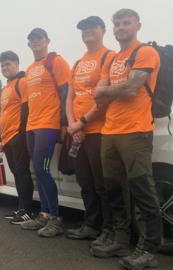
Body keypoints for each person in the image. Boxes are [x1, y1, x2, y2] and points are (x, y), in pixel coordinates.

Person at [91, 9, 161, 270]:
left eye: (126, 22)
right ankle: (121, 241)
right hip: (110, 131)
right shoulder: (113, 59)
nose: (121, 27)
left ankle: (149, 249)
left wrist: (106, 89)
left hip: (136, 130)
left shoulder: (144, 52)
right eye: (117, 23)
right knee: (114, 190)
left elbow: (132, 88)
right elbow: (99, 96)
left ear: (137, 25)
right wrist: (108, 91)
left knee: (143, 190)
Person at [65, 16, 115, 241]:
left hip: (99, 131)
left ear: (103, 31)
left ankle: (109, 229)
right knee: (85, 182)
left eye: (92, 27)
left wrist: (81, 122)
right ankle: (91, 225)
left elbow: (105, 98)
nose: (87, 31)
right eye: (83, 28)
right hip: (78, 132)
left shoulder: (109, 57)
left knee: (101, 183)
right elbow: (70, 97)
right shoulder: (77, 63)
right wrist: (72, 125)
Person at [19, 28, 71, 237]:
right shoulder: (30, 69)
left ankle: (56, 218)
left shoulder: (56, 61)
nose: (36, 42)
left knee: (43, 169)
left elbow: (66, 91)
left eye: (40, 39)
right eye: (32, 40)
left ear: (47, 40)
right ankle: (44, 214)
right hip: (32, 125)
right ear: (29, 44)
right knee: (37, 170)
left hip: (49, 125)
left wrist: (65, 123)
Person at [0, 51, 34, 224]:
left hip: (18, 136)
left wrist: (20, 134)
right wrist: (0, 139)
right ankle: (20, 208)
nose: (5, 68)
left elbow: (26, 109)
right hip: (7, 138)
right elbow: (4, 114)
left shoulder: (22, 82)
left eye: (8, 64)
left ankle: (27, 211)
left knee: (22, 172)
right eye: (2, 65)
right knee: (17, 174)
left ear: (17, 64)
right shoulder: (6, 87)